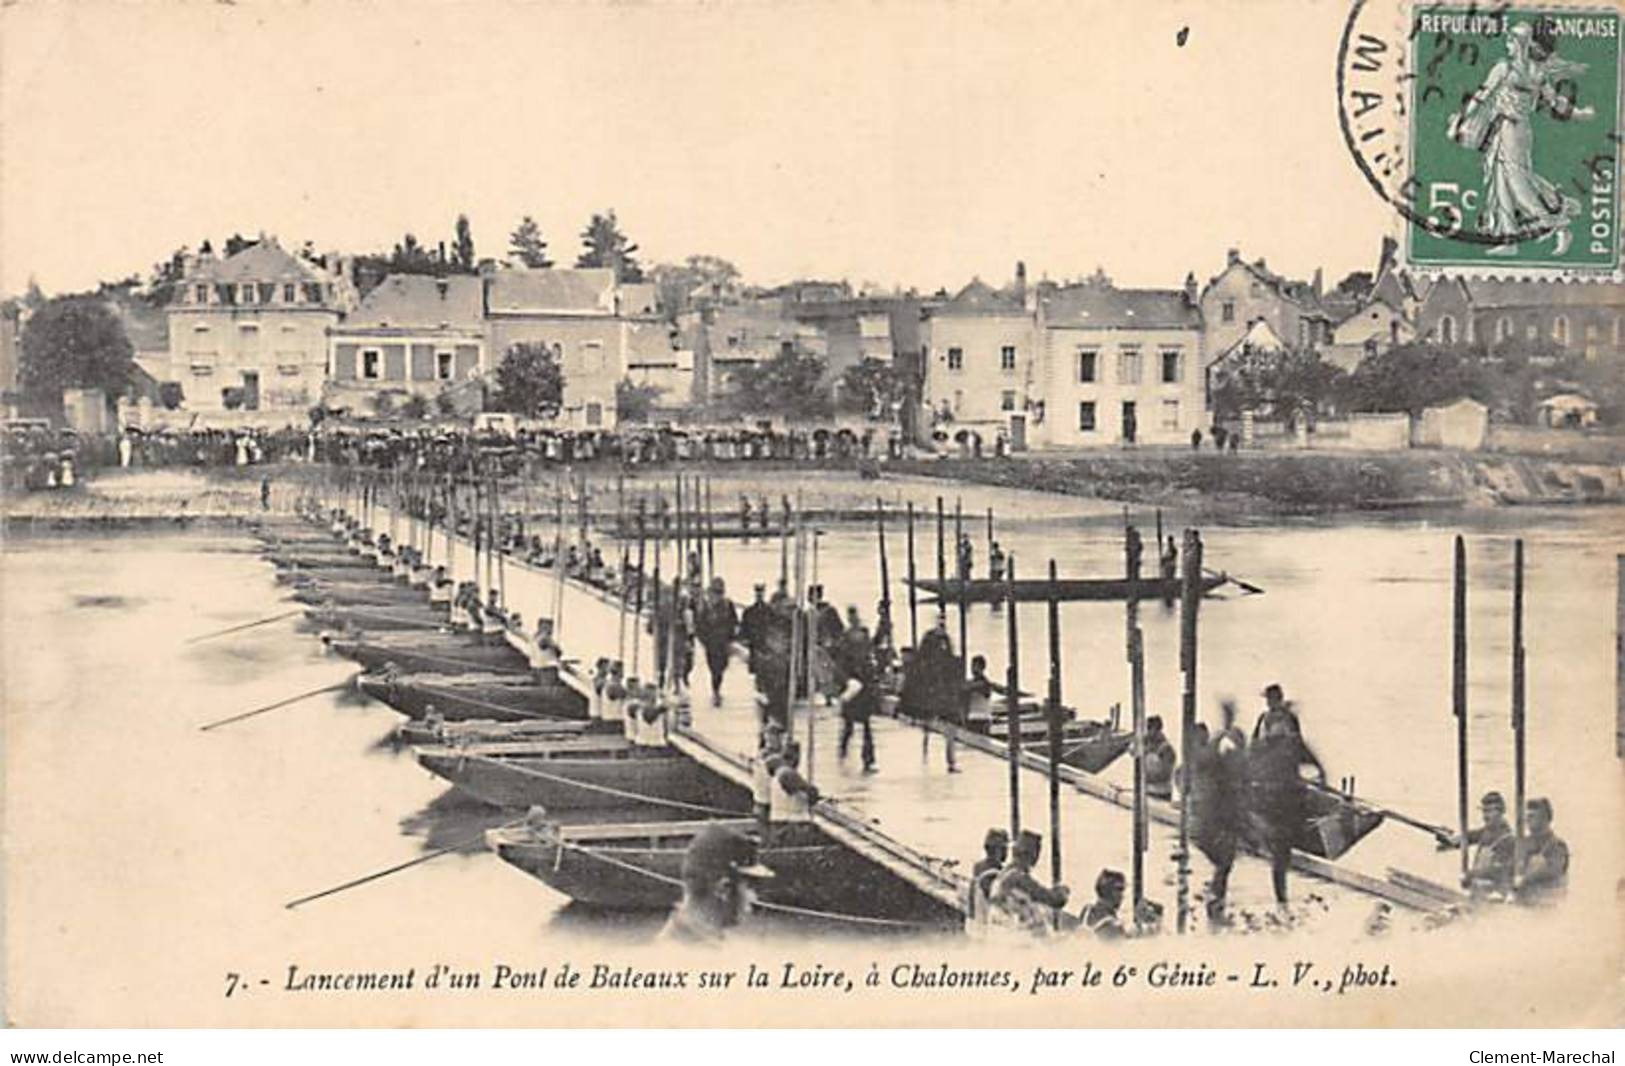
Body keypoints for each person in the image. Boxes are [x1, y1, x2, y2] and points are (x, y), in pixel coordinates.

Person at [1247, 710, 1324, 905]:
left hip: (1288, 805)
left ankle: (1281, 896)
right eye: (1275, 725)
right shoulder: (1260, 748)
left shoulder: (1292, 744)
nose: (1280, 729)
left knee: (1282, 854)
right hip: (1271, 807)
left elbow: (1316, 766)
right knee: (1280, 855)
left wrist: (1319, 780)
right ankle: (1281, 899)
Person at [658, 824, 775, 945]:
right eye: (750, 887)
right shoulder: (688, 953)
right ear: (723, 888)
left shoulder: (689, 939)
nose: (754, 898)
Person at [988, 830, 1070, 932]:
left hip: (999, 929)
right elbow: (1054, 900)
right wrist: (1064, 892)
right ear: (1033, 855)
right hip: (1010, 936)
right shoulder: (1018, 877)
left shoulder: (1004, 873)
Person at [836, 620, 879, 773]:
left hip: (864, 694)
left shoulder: (866, 656)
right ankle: (844, 750)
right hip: (853, 693)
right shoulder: (847, 656)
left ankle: (868, 758)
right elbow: (841, 673)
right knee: (849, 727)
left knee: (865, 727)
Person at [1460, 790, 1517, 896]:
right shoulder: (1485, 833)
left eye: (1490, 811)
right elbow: (1463, 838)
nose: (1486, 816)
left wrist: (1471, 874)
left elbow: (1498, 870)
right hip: (1478, 893)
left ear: (1501, 812)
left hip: (1496, 896)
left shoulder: (1507, 839)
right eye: (1484, 811)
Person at [1515, 797, 1568, 905]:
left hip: (1547, 903)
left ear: (1545, 818)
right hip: (1524, 902)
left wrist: (1526, 879)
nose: (1528, 820)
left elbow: (1554, 870)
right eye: (1527, 816)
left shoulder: (1556, 845)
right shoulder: (1524, 844)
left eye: (1532, 816)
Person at [695, 577, 739, 707]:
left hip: (723, 642)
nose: (717, 596)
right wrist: (704, 640)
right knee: (714, 668)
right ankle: (716, 691)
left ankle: (717, 688)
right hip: (711, 643)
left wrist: (731, 637)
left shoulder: (727, 605)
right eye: (715, 592)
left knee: (722, 666)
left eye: (719, 592)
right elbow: (700, 625)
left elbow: (733, 621)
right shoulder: (706, 607)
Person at [1078, 869, 1129, 940]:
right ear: (1110, 891)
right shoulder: (1114, 928)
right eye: (1120, 890)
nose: (1122, 896)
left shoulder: (1087, 911)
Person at [740, 583, 773, 671]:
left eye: (761, 593)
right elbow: (744, 628)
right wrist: (745, 640)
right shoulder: (749, 612)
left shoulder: (770, 611)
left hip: (766, 647)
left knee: (766, 671)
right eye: (758, 593)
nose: (759, 595)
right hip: (754, 646)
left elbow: (773, 627)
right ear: (755, 594)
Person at [1143, 715, 1177, 802]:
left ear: (1157, 729)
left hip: (1161, 793)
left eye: (1149, 728)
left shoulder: (1166, 749)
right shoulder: (1146, 745)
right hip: (1147, 791)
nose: (1147, 731)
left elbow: (1165, 772)